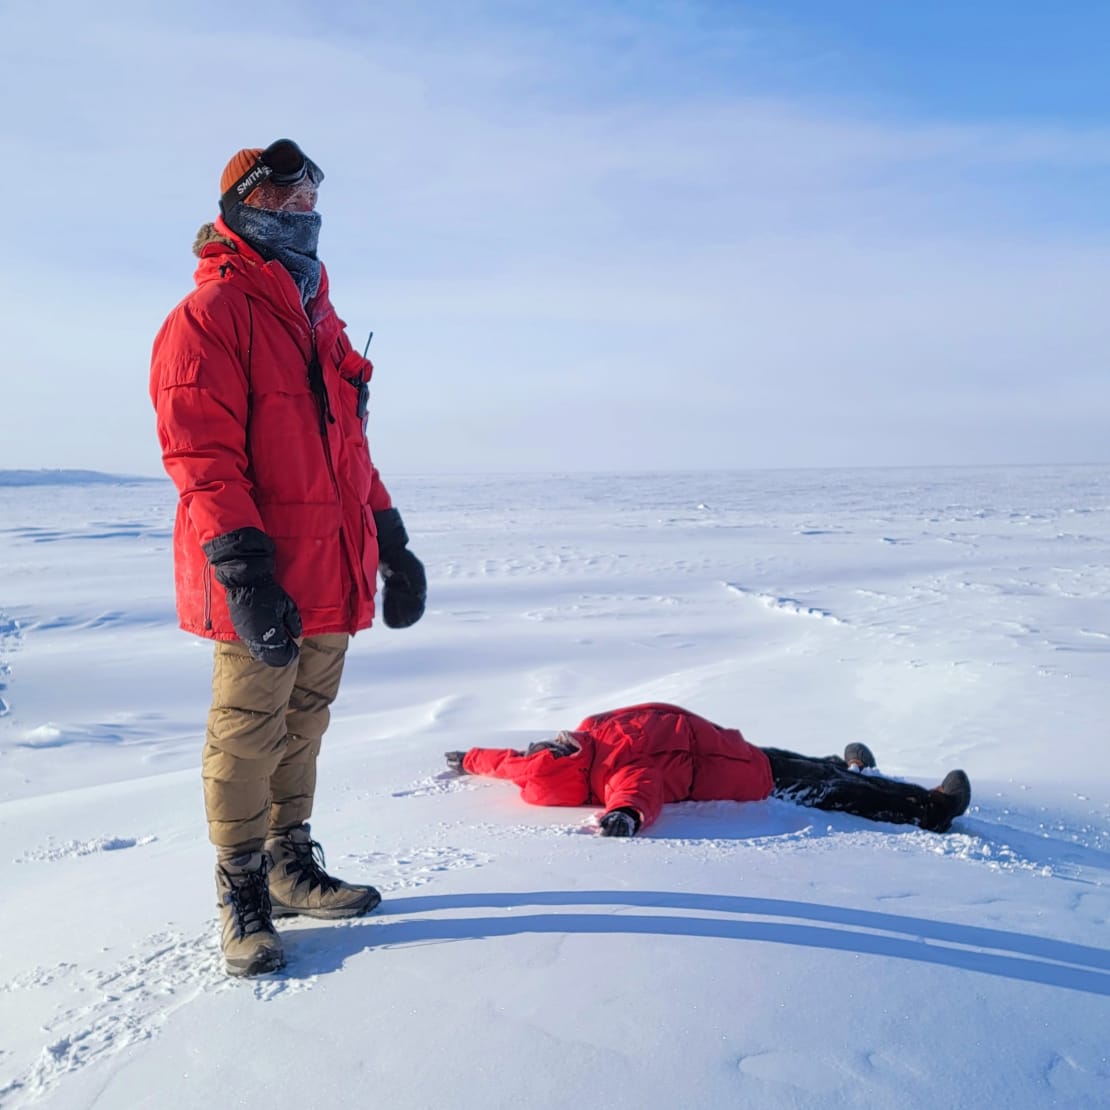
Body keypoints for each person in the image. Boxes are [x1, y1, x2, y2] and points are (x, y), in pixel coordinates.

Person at [150, 140, 426, 977]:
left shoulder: (320, 320)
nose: (300, 215)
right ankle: (241, 891)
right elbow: (201, 461)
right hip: (262, 576)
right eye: (281, 203)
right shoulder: (209, 318)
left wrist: (392, 538)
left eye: (309, 204)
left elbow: (349, 451)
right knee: (246, 734)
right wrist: (245, 573)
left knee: (302, 726)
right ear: (241, 212)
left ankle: (287, 863)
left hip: (331, 565)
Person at [445, 702, 971, 837]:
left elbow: (504, 763)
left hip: (733, 749)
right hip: (746, 780)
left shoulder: (586, 735)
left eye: (547, 744)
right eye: (555, 749)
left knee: (814, 764)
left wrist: (469, 759)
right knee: (827, 790)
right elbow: (639, 794)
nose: (554, 740)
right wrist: (624, 816)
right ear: (567, 766)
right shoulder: (615, 776)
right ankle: (930, 809)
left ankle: (851, 764)